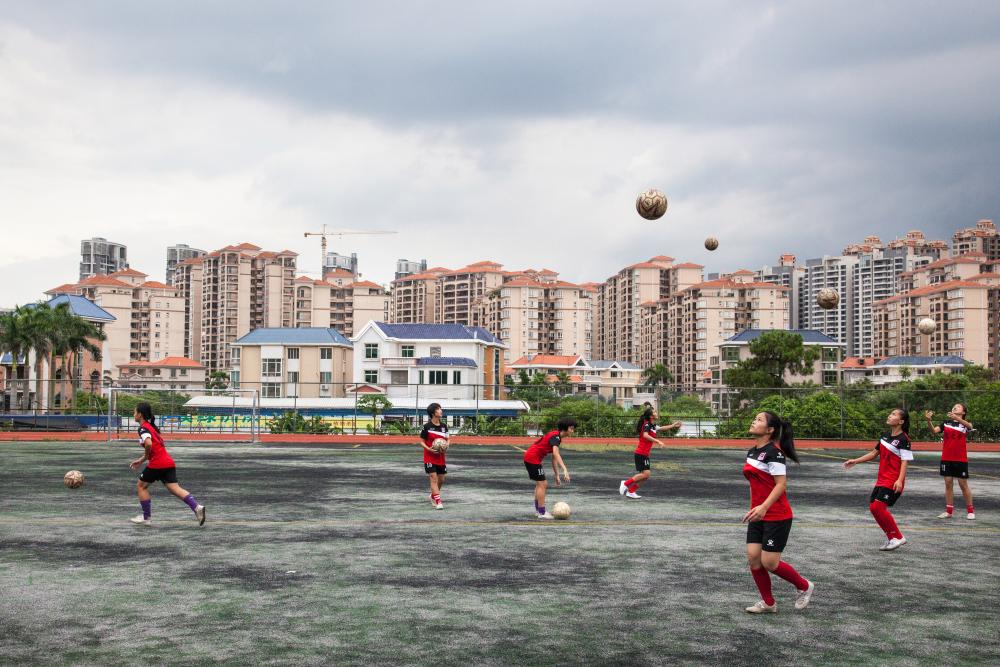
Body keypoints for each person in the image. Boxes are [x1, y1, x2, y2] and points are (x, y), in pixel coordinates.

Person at [742, 411, 814, 613]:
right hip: (758, 514)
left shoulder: (775, 453)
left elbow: (781, 484)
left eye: (758, 420)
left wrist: (764, 507)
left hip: (777, 515)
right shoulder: (752, 451)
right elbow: (754, 485)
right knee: (754, 559)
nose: (753, 421)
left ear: (770, 429)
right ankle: (768, 603)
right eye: (754, 418)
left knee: (769, 562)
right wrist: (754, 508)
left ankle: (804, 585)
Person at [844, 408, 912, 551]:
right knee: (874, 509)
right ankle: (892, 538)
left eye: (894, 414)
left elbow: (905, 461)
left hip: (893, 480)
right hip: (881, 479)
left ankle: (898, 537)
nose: (889, 415)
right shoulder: (885, 436)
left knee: (877, 507)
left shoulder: (903, 439)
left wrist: (900, 480)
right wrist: (855, 461)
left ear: (901, 421)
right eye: (891, 413)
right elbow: (874, 453)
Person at [129, 401, 206, 526]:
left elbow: (148, 444)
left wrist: (146, 457)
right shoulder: (151, 427)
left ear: (140, 414)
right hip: (168, 462)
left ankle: (146, 517)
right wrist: (142, 459)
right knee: (175, 488)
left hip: (158, 464)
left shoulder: (143, 428)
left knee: (141, 486)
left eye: (134, 412)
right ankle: (197, 507)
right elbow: (154, 447)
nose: (134, 414)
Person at [925, 405, 975, 519]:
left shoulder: (964, 424)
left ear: (963, 412)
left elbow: (970, 426)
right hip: (946, 458)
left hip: (960, 458)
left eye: (957, 407)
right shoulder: (946, 423)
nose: (954, 408)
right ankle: (949, 511)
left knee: (963, 484)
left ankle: (970, 511)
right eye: (953, 407)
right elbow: (934, 431)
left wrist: (957, 418)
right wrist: (929, 421)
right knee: (948, 483)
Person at [619, 406, 681, 499]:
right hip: (640, 453)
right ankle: (625, 483)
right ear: (651, 416)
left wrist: (673, 425)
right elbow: (645, 435)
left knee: (645, 476)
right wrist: (658, 441)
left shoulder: (652, 426)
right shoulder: (647, 425)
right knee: (646, 474)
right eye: (655, 412)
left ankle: (631, 492)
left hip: (644, 454)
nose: (656, 413)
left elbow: (662, 428)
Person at [523, 418, 575, 519]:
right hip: (532, 458)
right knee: (542, 484)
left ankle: (538, 511)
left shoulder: (556, 437)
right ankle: (542, 512)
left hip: (532, 458)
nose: (573, 431)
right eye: (571, 428)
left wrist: (557, 475)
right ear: (565, 429)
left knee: (541, 484)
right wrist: (564, 469)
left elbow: (554, 458)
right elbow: (556, 453)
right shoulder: (556, 437)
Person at [419, 402, 449, 510]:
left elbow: (447, 439)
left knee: (441, 480)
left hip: (440, 457)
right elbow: (421, 441)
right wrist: (429, 448)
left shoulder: (444, 426)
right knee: (433, 478)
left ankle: (432, 495)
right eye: (438, 409)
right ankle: (438, 501)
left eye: (440, 408)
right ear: (433, 413)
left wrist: (447, 445)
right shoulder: (427, 427)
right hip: (429, 457)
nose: (441, 410)